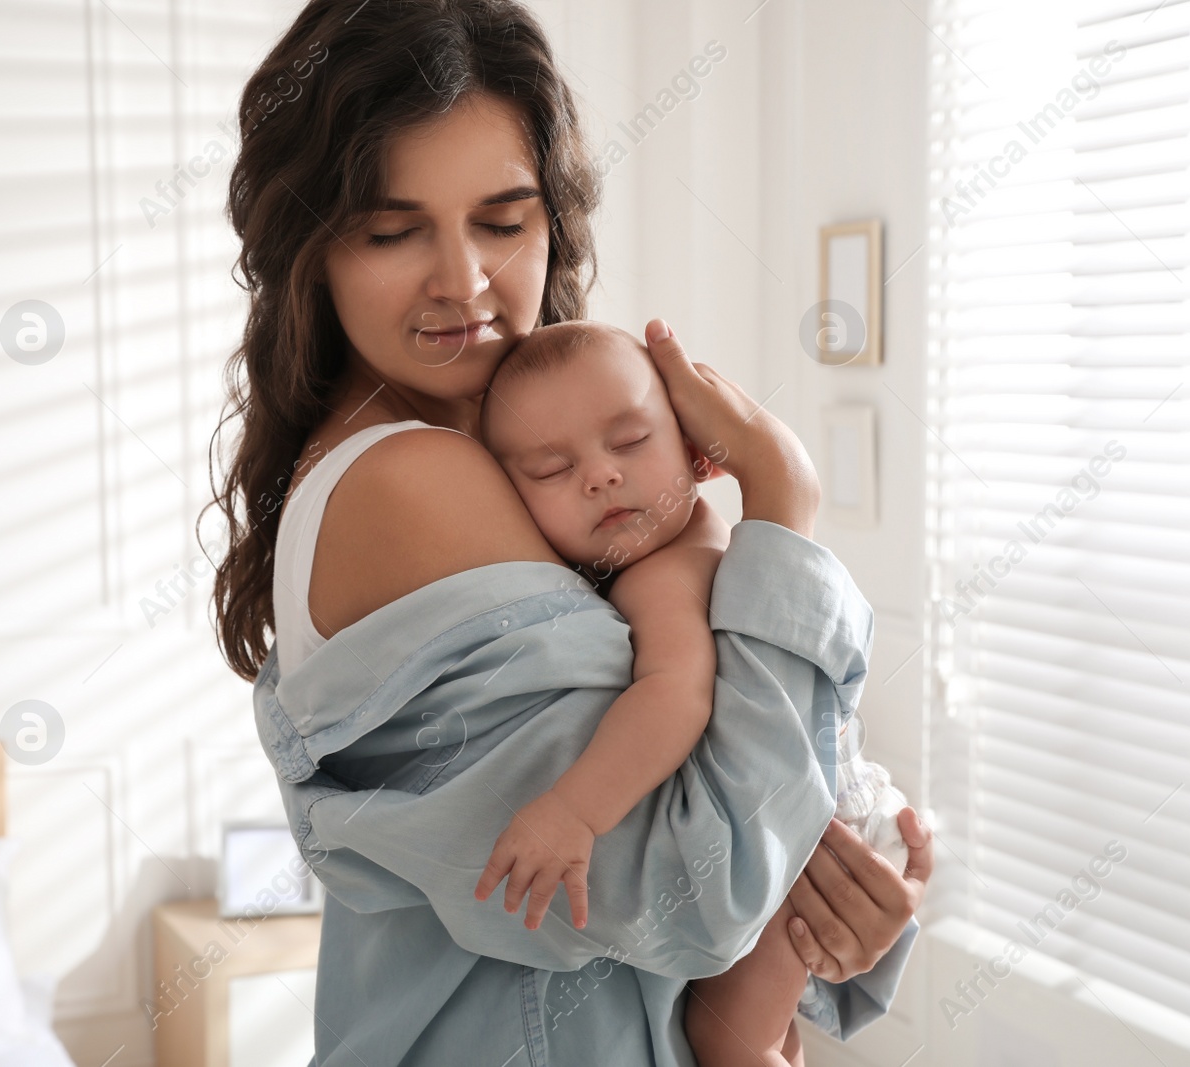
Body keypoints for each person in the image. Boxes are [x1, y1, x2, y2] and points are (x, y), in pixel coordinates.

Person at [207, 2, 934, 1064]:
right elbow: (691, 895)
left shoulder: (524, 460)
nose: (464, 282)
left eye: (502, 221)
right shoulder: (410, 479)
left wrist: (827, 918)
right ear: (310, 248)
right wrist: (782, 501)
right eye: (392, 229)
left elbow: (698, 881)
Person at [475, 321, 912, 1066]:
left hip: (812, 831)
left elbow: (677, 696)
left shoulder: (664, 573)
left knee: (726, 1041)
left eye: (630, 440)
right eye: (551, 469)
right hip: (826, 809)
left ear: (701, 454)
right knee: (761, 1033)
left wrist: (573, 810)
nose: (599, 476)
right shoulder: (690, 535)